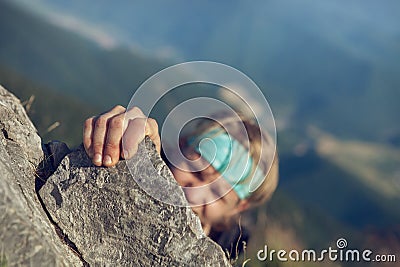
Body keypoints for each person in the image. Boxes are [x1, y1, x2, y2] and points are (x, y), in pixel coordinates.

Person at [83, 105, 279, 259]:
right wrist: (130, 146)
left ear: (238, 208)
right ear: (180, 146)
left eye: (218, 196)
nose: (193, 196)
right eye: (196, 171)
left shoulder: (229, 251)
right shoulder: (142, 169)